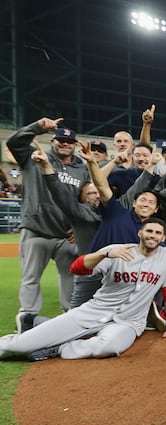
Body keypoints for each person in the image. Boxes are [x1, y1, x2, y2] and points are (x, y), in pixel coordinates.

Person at [0, 218, 166, 361]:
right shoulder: (116, 250)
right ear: (140, 233)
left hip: (128, 322)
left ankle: (60, 347)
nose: (153, 235)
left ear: (163, 238)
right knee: (20, 345)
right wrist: (103, 254)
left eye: (157, 233)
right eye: (149, 231)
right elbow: (77, 268)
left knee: (108, 348)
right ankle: (25, 335)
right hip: (94, 311)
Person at [6, 117, 90, 327]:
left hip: (66, 235)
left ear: (74, 145)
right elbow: (13, 143)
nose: (64, 143)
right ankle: (27, 317)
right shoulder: (33, 156)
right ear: (52, 141)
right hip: (37, 230)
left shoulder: (81, 168)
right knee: (30, 277)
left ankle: (70, 317)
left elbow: (88, 197)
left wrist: (79, 225)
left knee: (70, 277)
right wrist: (37, 127)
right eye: (60, 140)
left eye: (69, 141)